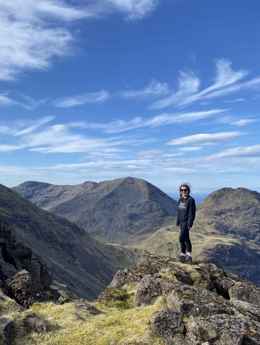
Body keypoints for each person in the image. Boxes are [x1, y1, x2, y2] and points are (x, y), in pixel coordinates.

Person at [176, 183, 196, 262]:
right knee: (186, 238)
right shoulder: (180, 199)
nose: (183, 191)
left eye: (185, 190)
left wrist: (190, 224)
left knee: (181, 238)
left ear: (188, 191)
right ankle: (187, 256)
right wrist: (177, 221)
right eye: (182, 190)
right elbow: (179, 211)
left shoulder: (191, 200)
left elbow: (192, 213)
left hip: (186, 222)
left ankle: (184, 253)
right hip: (181, 222)